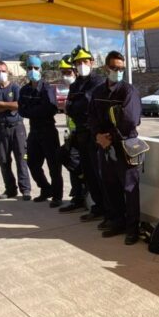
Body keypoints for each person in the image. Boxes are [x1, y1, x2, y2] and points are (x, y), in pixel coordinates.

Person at [88, 51, 142, 245]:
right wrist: (98, 136)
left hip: (125, 145)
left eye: (121, 69)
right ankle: (117, 221)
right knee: (110, 185)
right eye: (114, 68)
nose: (118, 72)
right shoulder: (98, 92)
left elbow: (130, 120)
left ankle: (132, 228)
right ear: (106, 68)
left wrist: (108, 136)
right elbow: (92, 117)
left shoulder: (128, 91)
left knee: (130, 189)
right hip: (104, 145)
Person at [63, 46, 107, 217]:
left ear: (92, 62)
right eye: (78, 63)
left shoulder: (98, 82)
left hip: (95, 133)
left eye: (85, 62)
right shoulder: (75, 85)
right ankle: (98, 207)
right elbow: (70, 108)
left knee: (100, 173)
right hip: (81, 133)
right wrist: (75, 105)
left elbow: (88, 104)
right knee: (89, 173)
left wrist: (75, 104)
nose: (82, 65)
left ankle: (108, 209)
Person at [17, 55, 63, 208]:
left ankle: (57, 196)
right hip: (34, 131)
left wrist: (32, 110)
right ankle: (46, 189)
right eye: (29, 68)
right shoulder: (24, 90)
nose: (32, 71)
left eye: (35, 68)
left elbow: (50, 109)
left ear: (40, 70)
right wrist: (36, 110)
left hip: (48, 130)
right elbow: (22, 110)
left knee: (54, 166)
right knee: (32, 163)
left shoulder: (47, 88)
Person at [0, 61, 31, 200]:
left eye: (3, 71)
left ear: (8, 72)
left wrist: (0, 104)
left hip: (17, 127)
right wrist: (7, 106)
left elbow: (18, 105)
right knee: (3, 159)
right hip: (0, 128)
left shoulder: (16, 87)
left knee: (21, 158)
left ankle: (26, 190)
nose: (1, 74)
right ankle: (10, 189)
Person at [57, 54, 86, 212]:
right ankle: (77, 196)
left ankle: (82, 191)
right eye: (63, 73)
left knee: (71, 158)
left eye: (68, 72)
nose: (65, 76)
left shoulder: (82, 88)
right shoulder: (72, 90)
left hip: (83, 133)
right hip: (72, 133)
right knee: (65, 157)